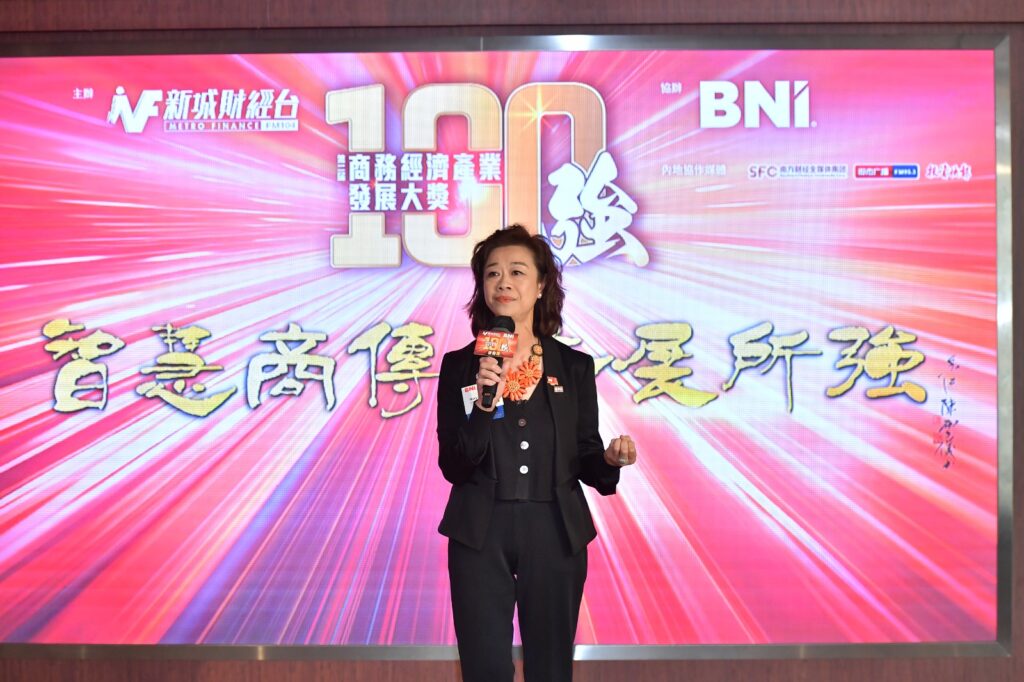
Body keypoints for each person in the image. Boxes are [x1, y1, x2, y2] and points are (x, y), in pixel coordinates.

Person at [435, 224, 637, 682]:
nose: (503, 282)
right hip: (479, 532)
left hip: (554, 530)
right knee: (485, 669)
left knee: (550, 668)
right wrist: (485, 401)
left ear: (542, 284)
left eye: (517, 272)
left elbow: (585, 454)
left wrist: (609, 461)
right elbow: (454, 464)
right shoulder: (460, 366)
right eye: (492, 273)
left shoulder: (574, 366)